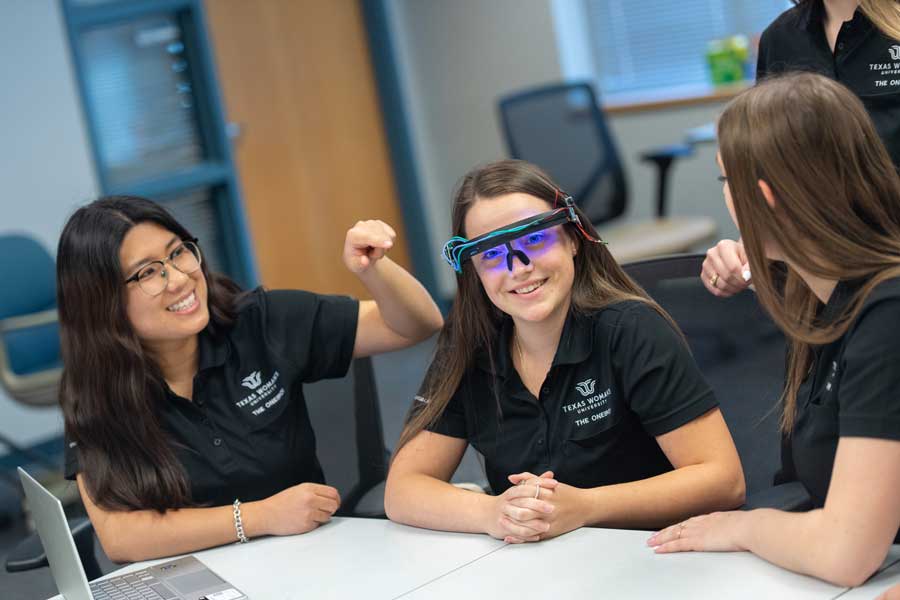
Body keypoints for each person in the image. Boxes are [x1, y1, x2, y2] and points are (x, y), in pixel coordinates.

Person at [59, 196, 443, 562]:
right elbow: (120, 536)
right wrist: (259, 517)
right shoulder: (95, 390)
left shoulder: (259, 322)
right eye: (147, 273)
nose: (178, 279)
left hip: (309, 558)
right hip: (196, 580)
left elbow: (416, 324)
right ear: (103, 301)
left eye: (177, 253)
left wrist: (373, 270)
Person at [384, 159, 745, 544]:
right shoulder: (471, 345)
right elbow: (403, 490)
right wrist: (492, 512)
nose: (518, 268)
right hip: (535, 562)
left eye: (534, 240)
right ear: (473, 270)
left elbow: (724, 480)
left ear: (573, 239)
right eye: (490, 254)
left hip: (647, 552)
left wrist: (586, 506)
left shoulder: (630, 329)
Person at [648, 73, 900, 588]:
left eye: (725, 181)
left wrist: (744, 527)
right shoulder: (825, 297)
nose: (727, 199)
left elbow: (846, 553)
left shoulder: (886, 315)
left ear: (764, 198)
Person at [704, 0, 900, 296]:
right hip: (819, 286)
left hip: (886, 271)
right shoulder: (780, 39)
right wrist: (747, 251)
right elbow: (775, 172)